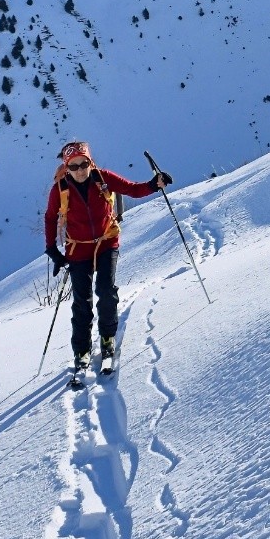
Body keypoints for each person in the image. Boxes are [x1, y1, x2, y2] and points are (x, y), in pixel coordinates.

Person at [45, 140, 172, 369]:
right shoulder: (60, 190)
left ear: (90, 162)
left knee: (106, 290)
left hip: (107, 241)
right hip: (78, 249)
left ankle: (107, 337)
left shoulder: (103, 178)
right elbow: (50, 217)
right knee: (82, 302)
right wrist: (52, 250)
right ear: (66, 167)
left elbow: (132, 189)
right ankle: (82, 349)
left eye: (83, 164)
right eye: (73, 166)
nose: (80, 170)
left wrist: (155, 184)